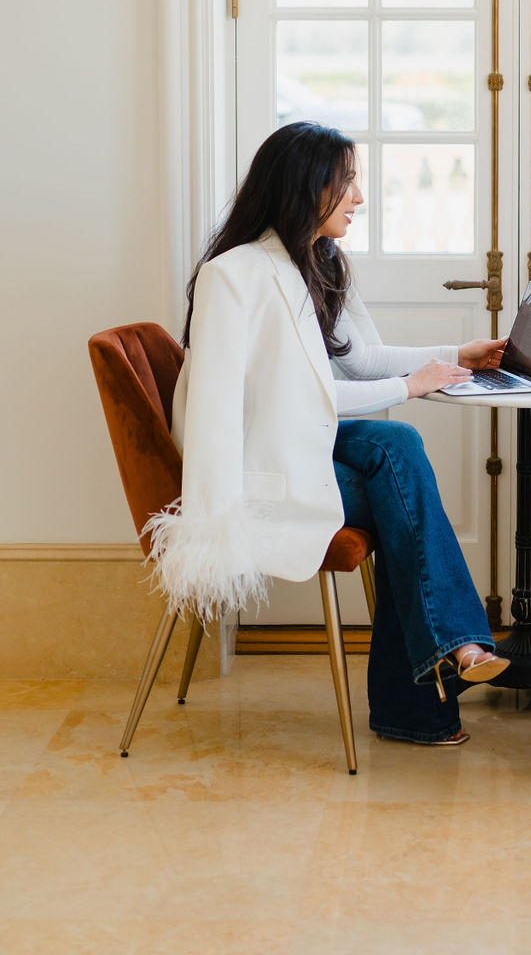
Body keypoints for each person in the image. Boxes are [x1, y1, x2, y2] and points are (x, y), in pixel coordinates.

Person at [148, 120, 508, 746]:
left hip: (300, 440)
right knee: (403, 487)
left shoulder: (320, 260)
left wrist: (456, 354)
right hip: (261, 465)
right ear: (306, 187)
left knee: (398, 453)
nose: (359, 200)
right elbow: (271, 402)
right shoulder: (233, 276)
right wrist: (413, 386)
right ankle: (436, 681)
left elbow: (359, 358)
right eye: (348, 185)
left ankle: (439, 679)